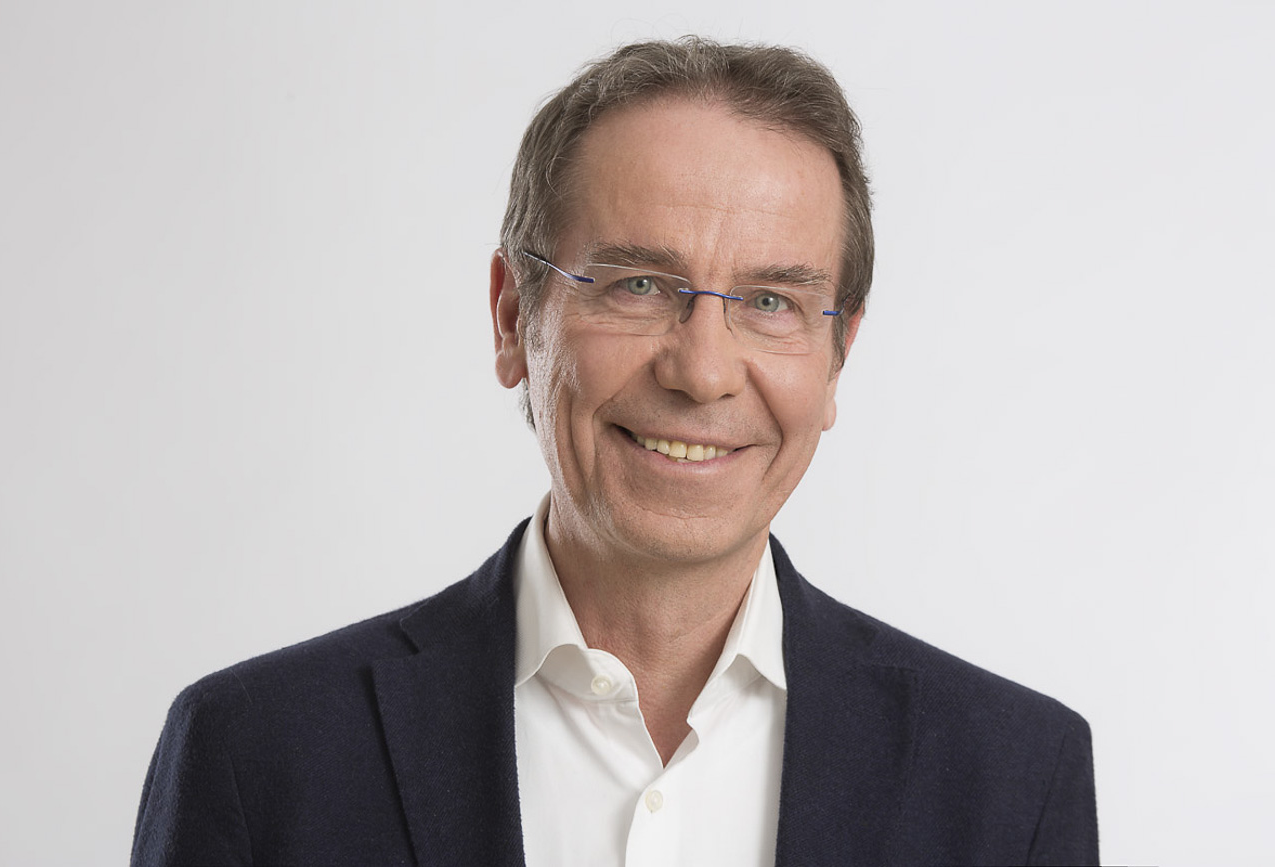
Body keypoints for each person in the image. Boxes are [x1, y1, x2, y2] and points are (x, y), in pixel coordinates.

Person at [131, 37, 1098, 866]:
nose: (703, 372)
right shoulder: (258, 753)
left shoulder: (1014, 781)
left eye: (772, 301)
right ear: (513, 318)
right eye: (638, 284)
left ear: (839, 353)